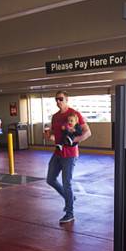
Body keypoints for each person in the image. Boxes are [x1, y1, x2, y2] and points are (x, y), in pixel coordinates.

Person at [44, 91, 91, 223]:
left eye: (61, 99)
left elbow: (88, 132)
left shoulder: (75, 114)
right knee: (50, 179)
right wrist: (49, 136)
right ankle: (69, 197)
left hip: (69, 154)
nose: (58, 101)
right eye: (56, 99)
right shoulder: (55, 117)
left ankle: (70, 213)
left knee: (66, 183)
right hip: (58, 152)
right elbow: (54, 135)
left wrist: (74, 141)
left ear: (66, 99)